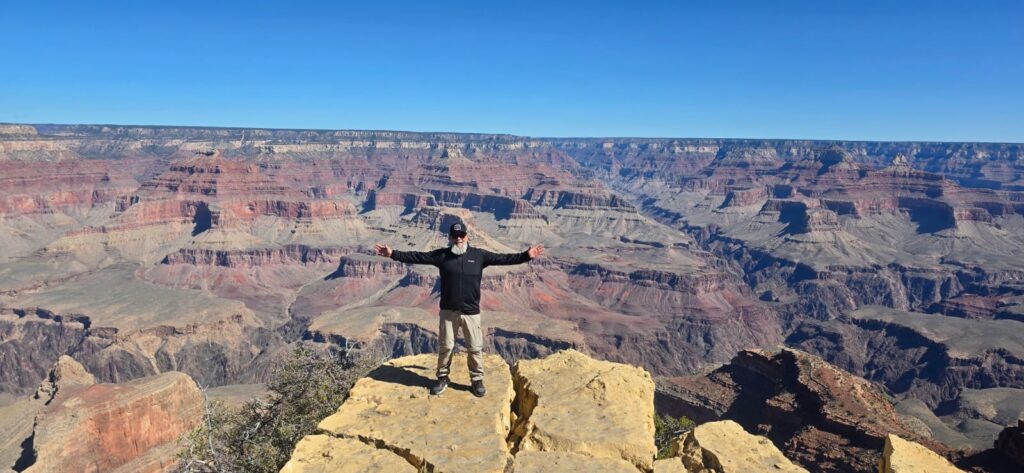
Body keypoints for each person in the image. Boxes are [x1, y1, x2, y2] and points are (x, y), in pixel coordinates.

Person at [373, 221, 544, 397]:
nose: (458, 239)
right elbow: (417, 256)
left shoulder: (479, 256)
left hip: (471, 312)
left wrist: (526, 255)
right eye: (455, 236)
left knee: (475, 348)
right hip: (448, 311)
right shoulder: (442, 256)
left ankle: (477, 380)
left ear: (467, 236)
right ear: (449, 238)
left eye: (461, 235)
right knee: (446, 346)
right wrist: (393, 254)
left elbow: (504, 259)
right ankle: (442, 378)